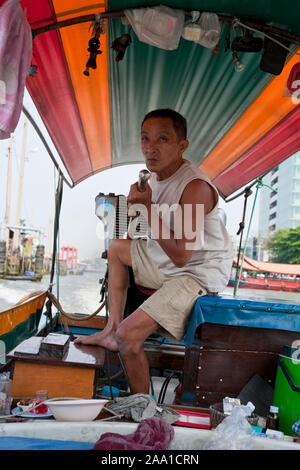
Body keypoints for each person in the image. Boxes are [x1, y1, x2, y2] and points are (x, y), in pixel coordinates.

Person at [75, 109, 233, 394]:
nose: (151, 147)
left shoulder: (194, 186)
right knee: (117, 249)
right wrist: (137, 206)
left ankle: (143, 408)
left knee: (129, 337)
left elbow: (183, 255)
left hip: (195, 274)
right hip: (168, 265)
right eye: (145, 139)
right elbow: (136, 235)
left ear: (181, 146)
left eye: (162, 139)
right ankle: (109, 329)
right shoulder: (151, 181)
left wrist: (147, 207)